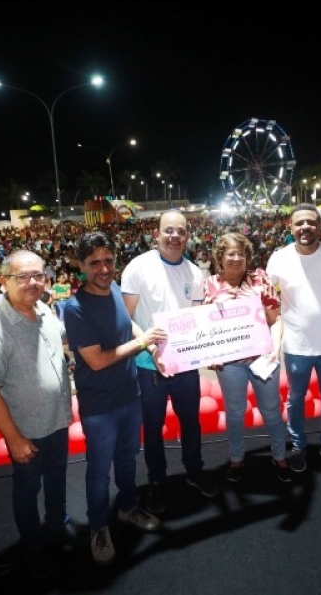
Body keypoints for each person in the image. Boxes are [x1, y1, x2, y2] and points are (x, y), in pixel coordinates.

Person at [64, 231, 164, 565]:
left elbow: (131, 323)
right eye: (95, 263)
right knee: (98, 471)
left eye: (108, 260)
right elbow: (96, 360)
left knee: (126, 460)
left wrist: (148, 343)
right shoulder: (75, 308)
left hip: (129, 395)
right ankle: (98, 526)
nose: (104, 268)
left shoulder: (116, 290)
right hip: (100, 406)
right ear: (81, 266)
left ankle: (127, 508)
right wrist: (143, 341)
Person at [0, 250, 80, 563]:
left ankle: (57, 525)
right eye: (22, 276)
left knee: (58, 479)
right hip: (26, 430)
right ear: (4, 282)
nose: (32, 282)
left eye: (38, 275)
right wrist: (14, 439)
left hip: (57, 420)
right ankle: (33, 545)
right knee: (27, 490)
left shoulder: (46, 312)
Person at [121, 210, 218, 514]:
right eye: (169, 230)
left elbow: (197, 320)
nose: (175, 236)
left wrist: (209, 350)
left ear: (188, 235)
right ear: (157, 233)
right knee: (153, 428)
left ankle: (194, 471)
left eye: (181, 231)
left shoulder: (194, 273)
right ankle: (157, 483)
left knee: (191, 422)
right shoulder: (138, 267)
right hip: (149, 366)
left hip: (186, 365)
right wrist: (150, 347)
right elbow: (126, 318)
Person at [265, 203, 321, 474]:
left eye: (311, 222)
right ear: (290, 227)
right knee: (296, 398)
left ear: (320, 226)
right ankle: (299, 446)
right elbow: (268, 299)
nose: (306, 227)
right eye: (300, 223)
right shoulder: (278, 258)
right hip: (296, 345)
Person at [202, 232, 292, 484]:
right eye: (230, 253)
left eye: (241, 254)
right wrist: (209, 353)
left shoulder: (260, 280)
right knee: (234, 412)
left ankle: (279, 455)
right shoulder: (209, 285)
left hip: (263, 358)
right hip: (229, 364)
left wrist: (275, 348)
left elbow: (275, 320)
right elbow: (204, 328)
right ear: (220, 257)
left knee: (271, 410)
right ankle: (236, 458)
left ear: (248, 257)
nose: (236, 258)